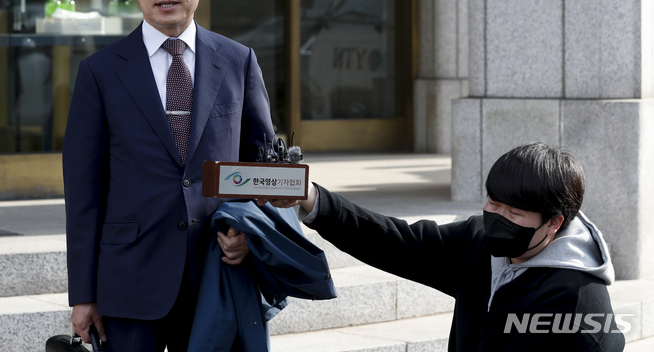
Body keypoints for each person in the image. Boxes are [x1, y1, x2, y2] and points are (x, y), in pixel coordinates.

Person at [63, 0, 275, 351]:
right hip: (130, 283)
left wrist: (251, 232)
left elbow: (263, 166)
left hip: (218, 275)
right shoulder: (100, 72)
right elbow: (83, 192)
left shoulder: (238, 61)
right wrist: (83, 294)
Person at [261, 142, 625, 351]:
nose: (496, 217)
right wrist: (311, 199)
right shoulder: (477, 242)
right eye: (493, 203)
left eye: (514, 213)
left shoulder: (579, 303)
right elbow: (396, 242)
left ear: (555, 222)